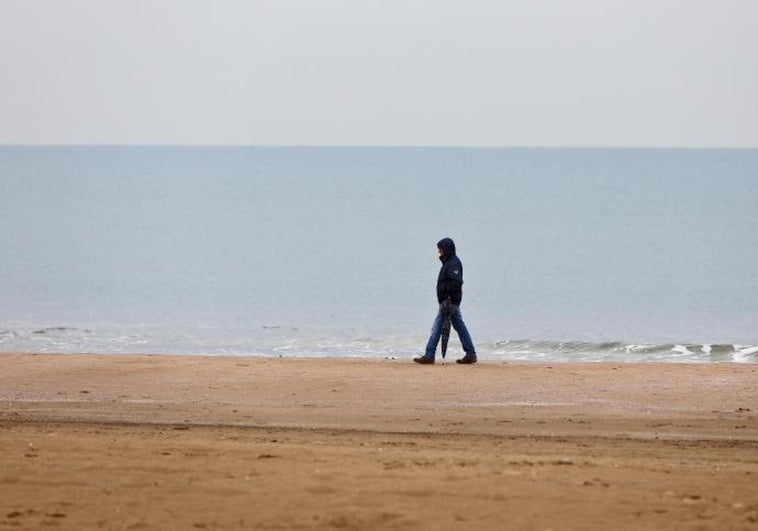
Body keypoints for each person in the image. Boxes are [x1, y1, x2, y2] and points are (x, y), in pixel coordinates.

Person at [414, 238, 477, 364]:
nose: (439, 251)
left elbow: (457, 282)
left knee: (437, 327)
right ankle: (470, 353)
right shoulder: (449, 262)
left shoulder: (453, 263)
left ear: (446, 249)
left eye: (440, 249)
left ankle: (430, 354)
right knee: (459, 325)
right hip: (449, 301)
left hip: (449, 302)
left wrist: (447, 295)